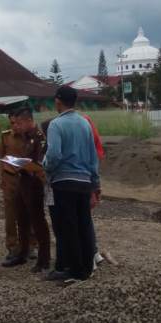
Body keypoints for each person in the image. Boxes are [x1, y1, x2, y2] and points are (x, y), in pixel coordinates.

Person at [43, 86, 100, 283]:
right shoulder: (85, 124)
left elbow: (54, 155)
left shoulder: (56, 125)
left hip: (64, 183)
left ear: (58, 100)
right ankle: (86, 267)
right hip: (84, 182)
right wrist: (95, 182)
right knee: (83, 224)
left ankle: (74, 271)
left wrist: (46, 167)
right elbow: (93, 156)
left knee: (69, 228)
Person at [1, 107, 51, 273]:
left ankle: (44, 259)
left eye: (20, 123)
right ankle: (22, 253)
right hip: (22, 181)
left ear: (29, 121)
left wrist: (26, 165)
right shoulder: (24, 137)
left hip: (35, 183)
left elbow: (40, 162)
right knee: (21, 219)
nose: (18, 126)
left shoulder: (39, 137)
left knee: (37, 221)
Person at [0, 113, 37, 261]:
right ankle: (12, 246)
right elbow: (2, 158)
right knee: (10, 215)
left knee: (30, 212)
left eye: (17, 122)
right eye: (12, 123)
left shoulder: (31, 137)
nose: (14, 126)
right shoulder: (6, 136)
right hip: (10, 180)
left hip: (27, 179)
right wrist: (2, 179)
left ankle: (31, 245)